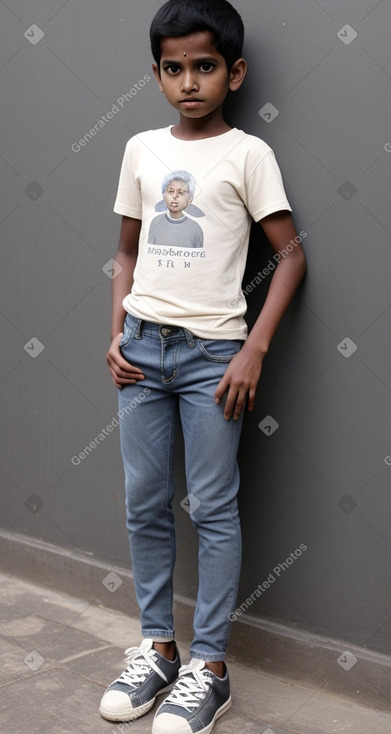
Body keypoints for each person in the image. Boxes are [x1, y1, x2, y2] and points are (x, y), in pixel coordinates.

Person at [101, 1, 307, 732]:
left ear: (233, 72)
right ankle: (157, 647)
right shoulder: (139, 149)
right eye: (173, 68)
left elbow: (289, 256)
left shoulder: (247, 154)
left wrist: (252, 347)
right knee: (143, 501)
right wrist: (115, 333)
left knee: (213, 508)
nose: (189, 81)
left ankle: (209, 667)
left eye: (204, 66)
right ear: (156, 74)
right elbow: (126, 253)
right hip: (143, 352)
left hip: (213, 359)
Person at [148, 170, 204, 248]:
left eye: (180, 192)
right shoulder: (155, 222)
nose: (174, 196)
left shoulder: (195, 228)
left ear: (190, 200)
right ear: (164, 196)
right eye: (170, 191)